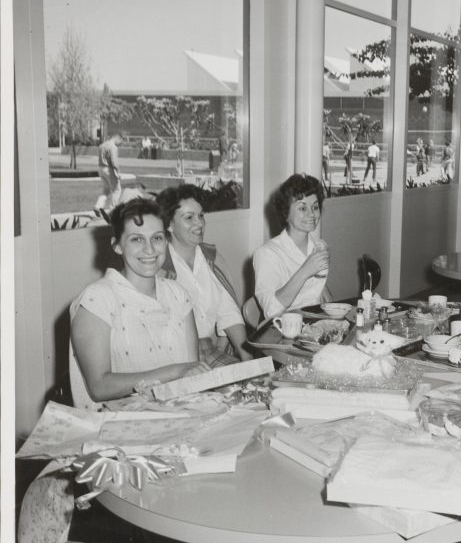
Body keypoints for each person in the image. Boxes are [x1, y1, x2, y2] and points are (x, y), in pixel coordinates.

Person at [69, 198, 208, 409]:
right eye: (136, 239)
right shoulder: (97, 300)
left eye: (157, 238)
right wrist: (176, 372)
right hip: (118, 423)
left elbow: (191, 373)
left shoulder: (178, 295)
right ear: (117, 245)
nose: (150, 249)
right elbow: (99, 387)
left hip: (179, 412)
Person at [156, 185, 253, 366]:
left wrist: (246, 356)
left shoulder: (212, 259)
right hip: (174, 359)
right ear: (169, 224)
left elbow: (229, 313)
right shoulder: (160, 268)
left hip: (211, 351)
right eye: (189, 218)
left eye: (201, 215)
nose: (199, 223)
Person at [252, 174, 331, 320]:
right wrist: (306, 270)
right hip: (282, 330)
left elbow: (317, 293)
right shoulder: (266, 254)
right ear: (286, 214)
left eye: (315, 207)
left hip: (313, 326)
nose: (311, 214)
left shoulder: (317, 247)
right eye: (302, 208)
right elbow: (271, 310)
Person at [95, 132, 125, 212]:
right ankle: (113, 210)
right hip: (109, 169)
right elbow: (114, 162)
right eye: (120, 142)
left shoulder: (102, 145)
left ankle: (98, 206)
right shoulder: (113, 147)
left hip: (101, 168)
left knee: (106, 189)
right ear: (118, 138)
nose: (119, 144)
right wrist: (118, 173)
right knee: (117, 190)